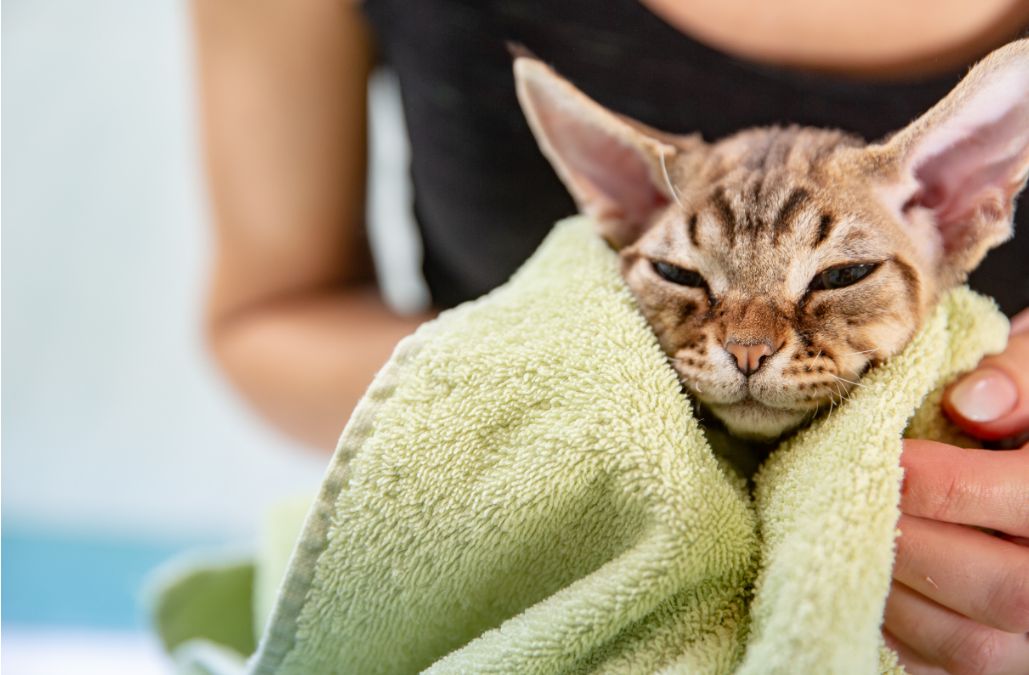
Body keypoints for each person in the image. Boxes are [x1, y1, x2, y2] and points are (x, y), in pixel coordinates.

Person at [190, 1, 1029, 671]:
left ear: (958, 206)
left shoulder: (929, 205)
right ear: (621, 204)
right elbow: (266, 316)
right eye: (684, 278)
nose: (748, 344)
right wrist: (544, 384)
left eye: (836, 278)